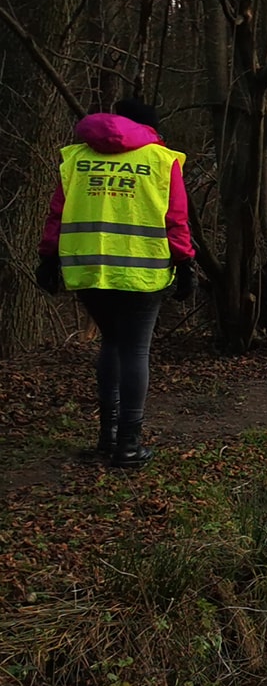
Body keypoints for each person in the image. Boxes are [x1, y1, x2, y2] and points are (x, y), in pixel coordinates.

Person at [34, 98, 195, 467]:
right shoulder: (160, 159)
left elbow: (57, 212)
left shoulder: (76, 158)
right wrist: (186, 263)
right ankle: (129, 444)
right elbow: (176, 218)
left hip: (88, 268)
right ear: (150, 127)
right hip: (142, 271)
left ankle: (107, 436)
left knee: (111, 342)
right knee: (135, 350)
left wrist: (47, 257)